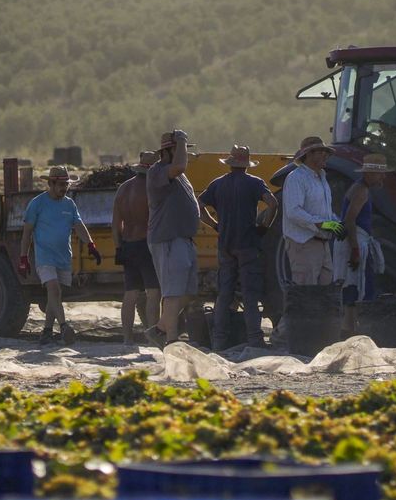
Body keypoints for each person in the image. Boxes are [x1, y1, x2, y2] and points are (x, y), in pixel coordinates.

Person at [198, 144, 277, 350]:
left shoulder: (218, 184)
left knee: (224, 294)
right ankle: (255, 340)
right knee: (250, 294)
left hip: (225, 244)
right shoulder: (255, 183)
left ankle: (219, 341)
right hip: (248, 244)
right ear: (247, 164)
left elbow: (199, 205)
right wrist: (264, 226)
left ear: (230, 163)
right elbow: (273, 203)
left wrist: (215, 225)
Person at [144, 129, 214, 346]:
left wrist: (213, 225)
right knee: (173, 292)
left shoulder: (180, 177)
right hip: (167, 238)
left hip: (183, 239)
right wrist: (182, 139)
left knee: (188, 291)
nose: (184, 152)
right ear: (169, 150)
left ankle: (160, 328)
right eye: (181, 148)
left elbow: (196, 205)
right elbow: (180, 165)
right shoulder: (158, 172)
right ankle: (171, 340)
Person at [19, 166, 101, 345]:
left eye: (67, 184)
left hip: (63, 257)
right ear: (51, 183)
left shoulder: (69, 204)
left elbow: (79, 225)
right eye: (61, 184)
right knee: (54, 289)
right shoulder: (37, 203)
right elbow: (27, 232)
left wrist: (91, 244)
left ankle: (46, 332)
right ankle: (64, 327)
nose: (65, 188)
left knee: (54, 296)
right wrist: (23, 258)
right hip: (44, 257)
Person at [336, 153, 390, 336]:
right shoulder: (361, 191)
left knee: (354, 289)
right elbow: (350, 220)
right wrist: (356, 250)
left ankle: (349, 331)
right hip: (356, 241)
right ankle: (351, 333)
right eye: (379, 174)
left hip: (357, 241)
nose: (383, 177)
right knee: (357, 288)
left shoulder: (359, 188)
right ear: (369, 174)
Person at [282, 135, 345, 287]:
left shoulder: (321, 178)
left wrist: (336, 223)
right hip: (303, 243)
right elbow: (294, 212)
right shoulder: (296, 178)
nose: (325, 155)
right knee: (306, 293)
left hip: (321, 243)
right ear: (308, 155)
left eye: (325, 152)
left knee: (324, 294)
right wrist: (323, 224)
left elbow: (324, 212)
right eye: (320, 151)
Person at [112, 150, 161, 344]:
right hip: (146, 245)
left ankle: (127, 338)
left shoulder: (123, 189)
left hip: (127, 244)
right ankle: (153, 337)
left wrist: (118, 247)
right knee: (153, 292)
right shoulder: (152, 188)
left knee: (130, 294)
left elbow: (116, 224)